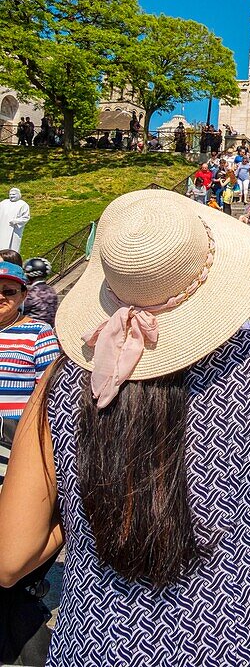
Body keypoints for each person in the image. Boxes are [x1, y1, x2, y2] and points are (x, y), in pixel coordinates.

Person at [0, 189, 250, 666]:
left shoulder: (58, 382)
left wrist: (88, 506)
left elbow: (11, 558)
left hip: (104, 643)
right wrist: (239, 484)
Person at [0, 258, 60, 666]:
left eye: (8, 292)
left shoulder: (38, 333)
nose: (0, 300)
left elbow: (52, 390)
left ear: (23, 296)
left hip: (19, 445)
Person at [22, 259, 58, 326]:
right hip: (49, 329)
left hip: (32, 328)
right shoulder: (52, 290)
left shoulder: (32, 292)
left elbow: (20, 310)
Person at [0, 189, 31, 254]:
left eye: (13, 194)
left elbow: (26, 217)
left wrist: (16, 221)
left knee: (13, 247)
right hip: (2, 228)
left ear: (18, 195)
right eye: (10, 194)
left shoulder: (23, 204)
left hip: (14, 229)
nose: (11, 196)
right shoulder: (3, 203)